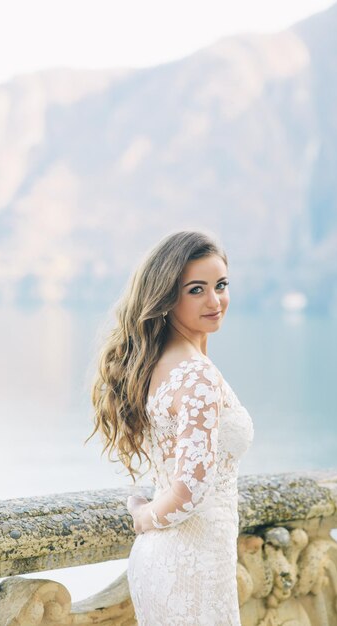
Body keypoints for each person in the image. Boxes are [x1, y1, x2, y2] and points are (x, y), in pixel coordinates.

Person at [87, 230, 254, 625]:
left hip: (181, 560)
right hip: (190, 566)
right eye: (196, 290)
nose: (215, 301)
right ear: (166, 297)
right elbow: (191, 488)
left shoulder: (162, 361)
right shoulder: (194, 374)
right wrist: (144, 518)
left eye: (221, 285)